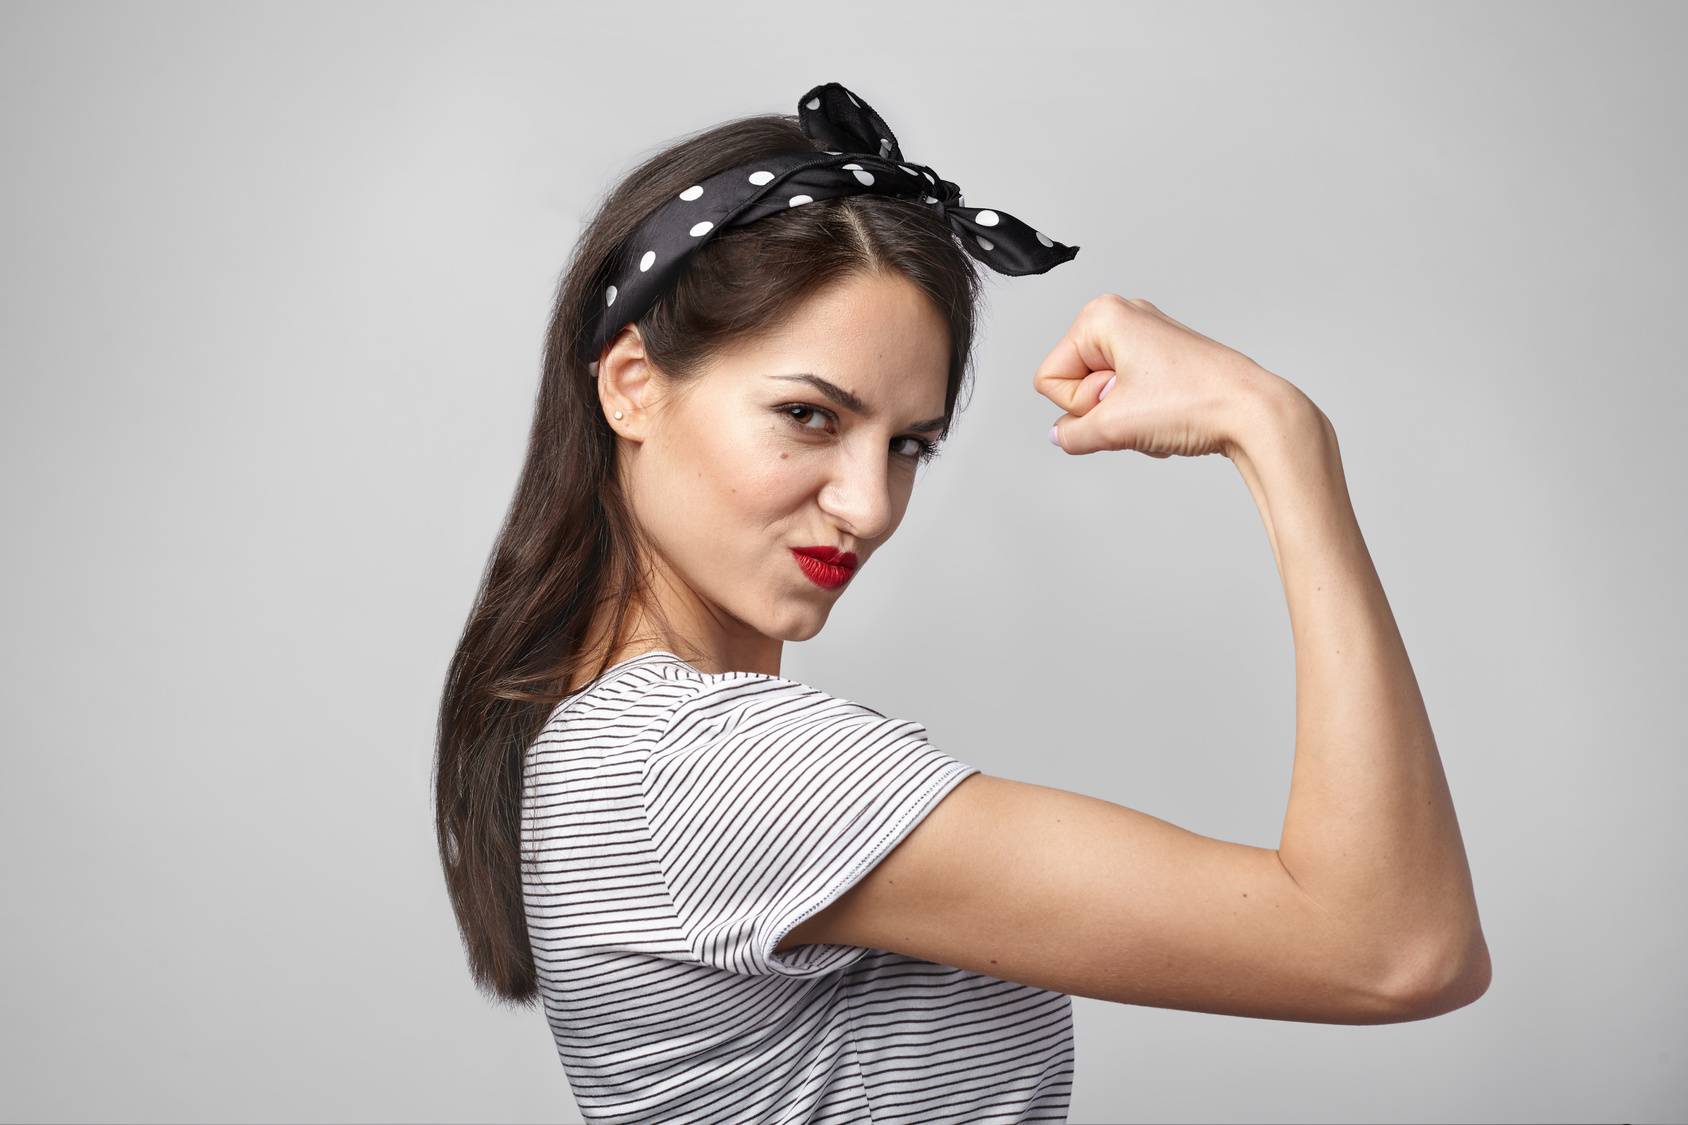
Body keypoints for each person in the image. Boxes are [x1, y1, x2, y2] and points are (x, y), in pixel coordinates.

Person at [433, 82, 1491, 1124]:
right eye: (807, 414)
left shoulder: (606, 747)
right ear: (630, 386)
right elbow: (1393, 948)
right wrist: (1277, 434)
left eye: (907, 445)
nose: (868, 504)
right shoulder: (712, 765)